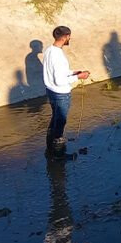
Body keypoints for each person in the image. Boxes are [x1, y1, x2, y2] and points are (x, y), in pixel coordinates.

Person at [43, 26, 90, 157]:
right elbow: (59, 80)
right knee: (61, 121)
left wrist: (73, 72)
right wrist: (78, 77)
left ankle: (50, 147)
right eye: (69, 36)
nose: (70, 38)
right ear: (64, 37)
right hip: (60, 93)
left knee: (55, 118)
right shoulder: (57, 55)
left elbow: (57, 72)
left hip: (51, 91)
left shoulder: (49, 50)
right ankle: (59, 156)